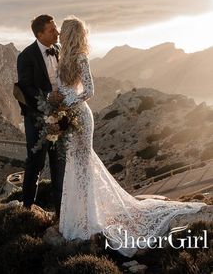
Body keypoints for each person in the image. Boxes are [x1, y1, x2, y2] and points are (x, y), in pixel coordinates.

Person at [47, 15, 207, 257]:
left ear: (70, 34)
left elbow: (89, 90)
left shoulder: (81, 58)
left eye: (63, 31)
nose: (58, 34)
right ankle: (75, 216)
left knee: (84, 164)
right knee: (74, 163)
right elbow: (59, 89)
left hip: (80, 116)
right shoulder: (62, 58)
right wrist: (55, 103)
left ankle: (90, 218)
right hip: (67, 118)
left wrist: (69, 105)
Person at [15, 14, 66, 216]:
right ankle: (27, 209)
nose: (57, 32)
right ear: (40, 34)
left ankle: (61, 213)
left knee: (59, 163)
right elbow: (26, 86)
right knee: (36, 162)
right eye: (52, 30)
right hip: (37, 118)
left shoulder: (59, 50)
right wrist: (47, 97)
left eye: (56, 28)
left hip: (62, 116)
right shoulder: (25, 56)